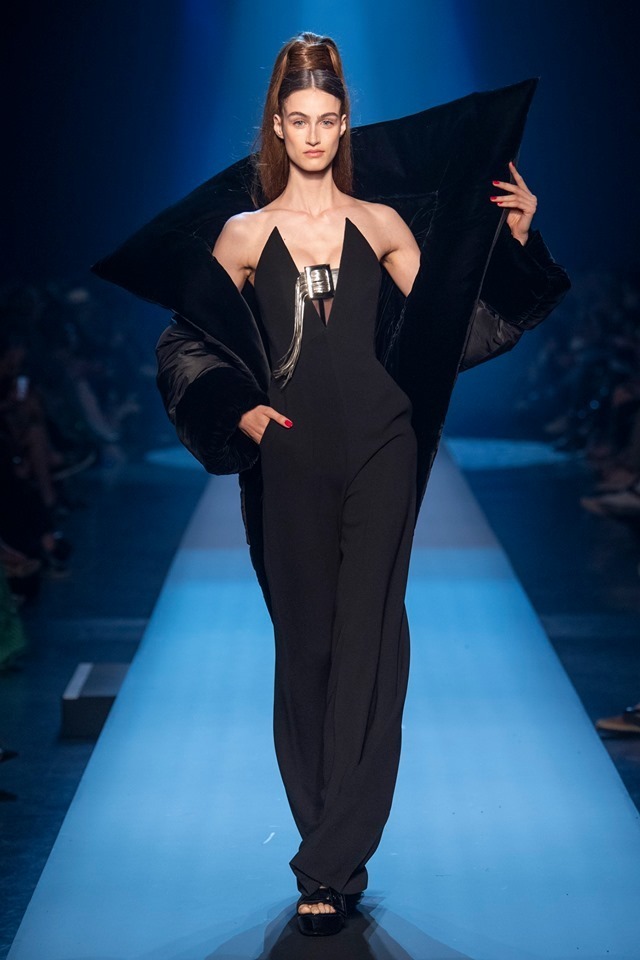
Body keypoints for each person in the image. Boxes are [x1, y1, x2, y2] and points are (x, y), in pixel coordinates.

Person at [92, 32, 571, 936]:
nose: (313, 133)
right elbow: (185, 344)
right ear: (278, 126)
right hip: (289, 452)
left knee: (370, 641)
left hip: (384, 444)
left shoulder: (383, 224)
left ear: (345, 124)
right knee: (306, 647)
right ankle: (326, 836)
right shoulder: (242, 236)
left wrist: (516, 243)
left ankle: (330, 863)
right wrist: (237, 408)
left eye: (327, 118)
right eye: (298, 119)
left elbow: (456, 334)